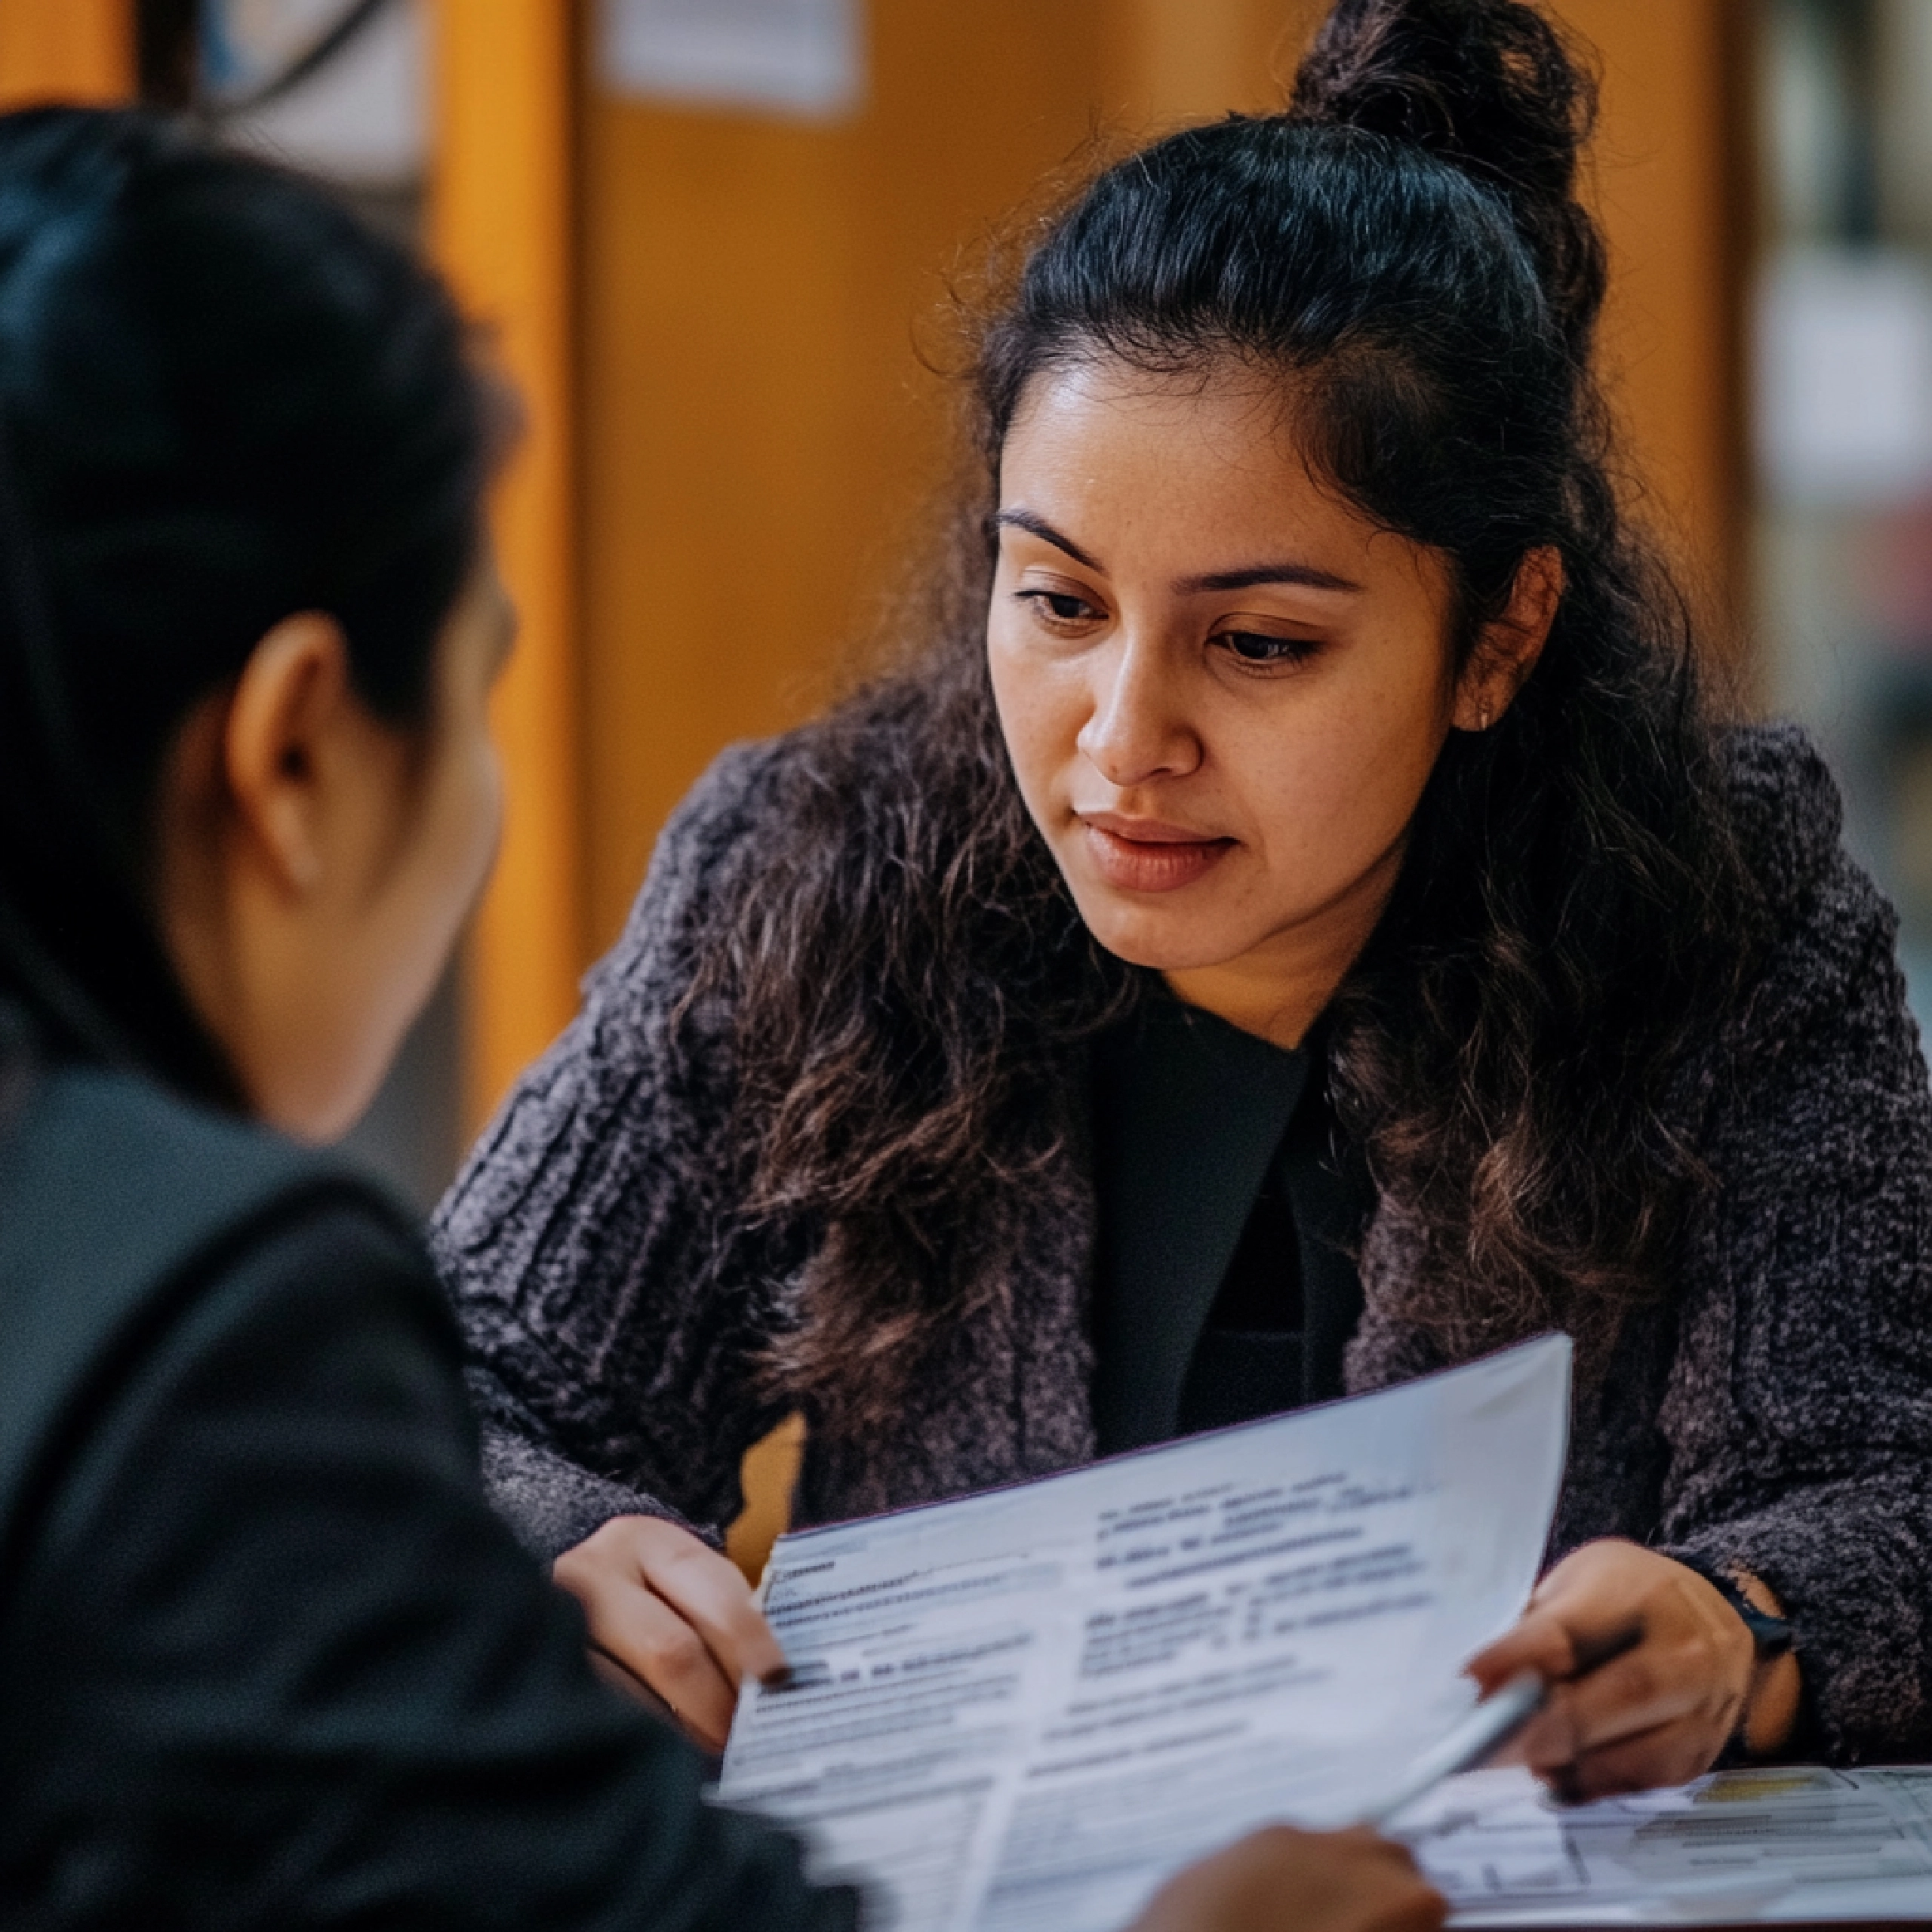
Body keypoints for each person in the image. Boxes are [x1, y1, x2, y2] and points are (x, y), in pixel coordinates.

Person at [436, 0, 1932, 1803]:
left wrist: (1738, 1628)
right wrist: (544, 1541)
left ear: (1499, 634)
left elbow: (1887, 1486)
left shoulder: (1717, 915)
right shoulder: (813, 875)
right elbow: (438, 1389)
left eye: (1258, 643)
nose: (1121, 739)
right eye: (1058, 603)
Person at [0, 105, 1448, 1932]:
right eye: (473, 692)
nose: (1124, 734)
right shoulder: (190, 1319)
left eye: (1256, 641)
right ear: (295, 749)